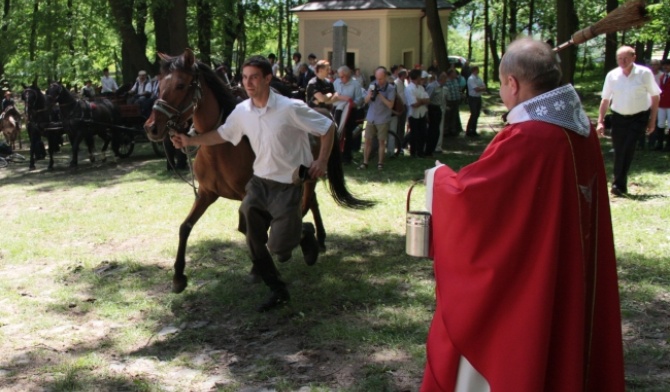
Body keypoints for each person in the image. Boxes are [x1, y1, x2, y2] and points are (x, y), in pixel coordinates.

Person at [422, 37, 625, 392]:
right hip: (566, 263)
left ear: (512, 84)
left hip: (531, 275)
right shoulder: (581, 129)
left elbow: (478, 200)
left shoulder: (530, 137)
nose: (502, 91)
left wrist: (438, 180)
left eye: (501, 84)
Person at [171, 55, 335, 312]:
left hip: (288, 182)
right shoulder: (242, 111)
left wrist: (322, 160)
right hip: (259, 183)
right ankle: (278, 290)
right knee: (251, 235)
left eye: (254, 77)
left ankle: (304, 233)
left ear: (267, 79)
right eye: (245, 77)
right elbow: (222, 135)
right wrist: (190, 141)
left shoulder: (289, 108)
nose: (248, 82)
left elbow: (327, 127)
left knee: (279, 247)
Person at [596, 45, 660, 196]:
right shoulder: (612, 75)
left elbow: (655, 96)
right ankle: (619, 183)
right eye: (619, 59)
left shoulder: (644, 74)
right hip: (619, 117)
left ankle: (618, 184)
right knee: (619, 149)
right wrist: (600, 121)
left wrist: (652, 121)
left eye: (625, 58)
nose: (622, 61)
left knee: (628, 147)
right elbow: (605, 100)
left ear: (633, 57)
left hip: (639, 117)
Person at [359, 66, 396, 170]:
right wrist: (370, 95)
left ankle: (380, 163)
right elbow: (365, 101)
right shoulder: (372, 85)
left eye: (380, 79)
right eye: (376, 78)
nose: (378, 81)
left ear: (385, 77)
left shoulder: (391, 88)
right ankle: (365, 162)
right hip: (371, 117)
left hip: (383, 119)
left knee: (381, 141)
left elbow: (390, 105)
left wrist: (379, 94)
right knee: (367, 140)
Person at [333, 65, 364, 163]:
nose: (341, 79)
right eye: (339, 76)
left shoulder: (356, 84)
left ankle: (346, 156)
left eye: (342, 77)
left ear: (348, 75)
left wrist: (351, 103)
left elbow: (359, 100)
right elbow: (332, 95)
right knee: (336, 133)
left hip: (349, 112)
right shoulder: (337, 82)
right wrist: (342, 98)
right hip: (337, 110)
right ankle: (336, 155)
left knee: (348, 134)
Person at [404, 68, 430, 157]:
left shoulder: (421, 87)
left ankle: (420, 151)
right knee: (414, 134)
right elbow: (414, 104)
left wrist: (420, 100)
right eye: (420, 77)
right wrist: (421, 101)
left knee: (423, 133)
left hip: (422, 113)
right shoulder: (409, 89)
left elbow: (428, 100)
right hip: (413, 114)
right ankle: (413, 152)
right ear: (417, 77)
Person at [425, 71, 447, 155]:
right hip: (432, 109)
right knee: (432, 130)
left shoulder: (442, 87)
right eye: (445, 78)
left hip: (438, 108)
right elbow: (427, 99)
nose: (446, 80)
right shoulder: (432, 86)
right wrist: (427, 113)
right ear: (441, 78)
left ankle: (434, 148)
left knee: (437, 131)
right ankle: (428, 150)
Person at [442, 69, 463, 141]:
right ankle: (446, 131)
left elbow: (458, 89)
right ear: (450, 74)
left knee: (454, 115)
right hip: (449, 101)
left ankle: (453, 130)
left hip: (456, 100)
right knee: (448, 116)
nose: (455, 74)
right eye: (454, 73)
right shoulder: (446, 82)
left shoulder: (455, 81)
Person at [465, 65, 486, 137]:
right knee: (473, 114)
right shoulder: (471, 79)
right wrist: (481, 88)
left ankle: (474, 130)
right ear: (474, 70)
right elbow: (476, 89)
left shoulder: (478, 78)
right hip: (472, 98)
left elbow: (484, 86)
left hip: (478, 97)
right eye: (477, 69)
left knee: (477, 114)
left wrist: (481, 88)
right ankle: (468, 130)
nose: (478, 70)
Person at [655, 59, 670, 151]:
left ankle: (668, 145)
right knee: (660, 123)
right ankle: (659, 144)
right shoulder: (662, 76)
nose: (665, 67)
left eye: (667, 65)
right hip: (662, 103)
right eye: (664, 65)